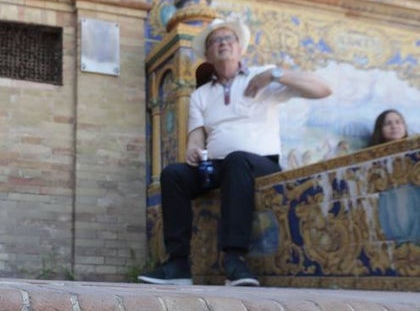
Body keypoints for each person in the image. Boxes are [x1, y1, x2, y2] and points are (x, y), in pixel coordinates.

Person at [139, 17, 333, 286]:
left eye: (228, 38)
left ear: (240, 48)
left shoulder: (263, 77)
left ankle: (234, 259)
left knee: (237, 159)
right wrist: (193, 149)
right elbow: (197, 135)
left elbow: (323, 89)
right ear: (208, 55)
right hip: (218, 166)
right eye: (215, 41)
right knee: (173, 174)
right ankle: (178, 264)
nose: (222, 43)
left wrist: (275, 75)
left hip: (259, 163)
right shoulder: (201, 95)